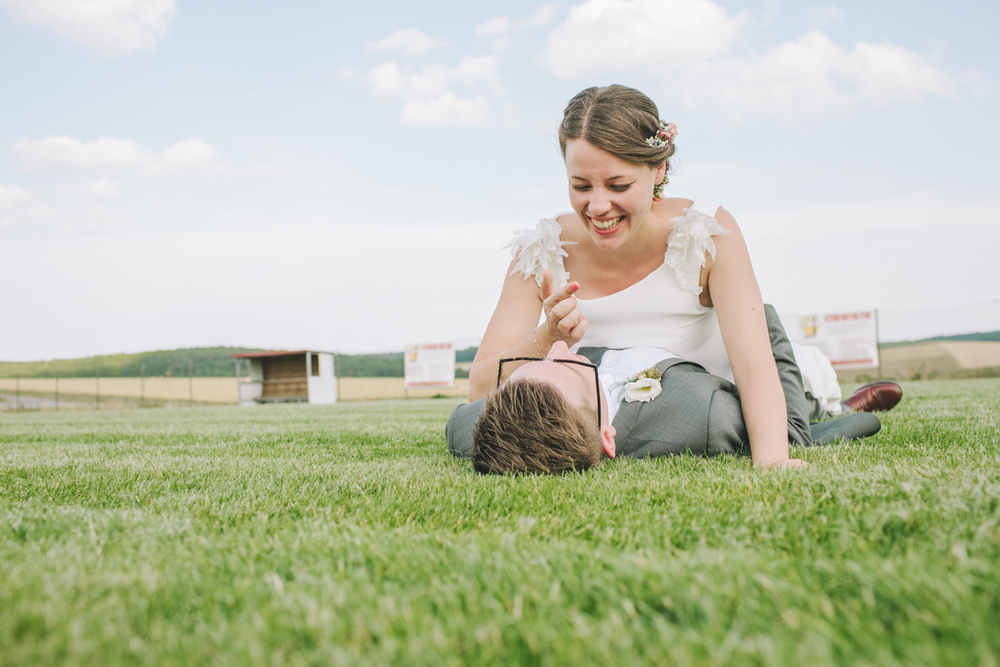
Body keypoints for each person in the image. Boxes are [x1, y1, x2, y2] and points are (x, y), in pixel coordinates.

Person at [451, 84, 900, 474]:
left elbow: (751, 361)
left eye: (618, 185)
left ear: (658, 171)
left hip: (724, 378)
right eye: (581, 186)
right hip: (612, 399)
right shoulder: (542, 249)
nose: (598, 206)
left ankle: (840, 407)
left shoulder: (705, 231)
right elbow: (480, 388)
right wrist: (547, 334)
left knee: (793, 416)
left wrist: (773, 457)